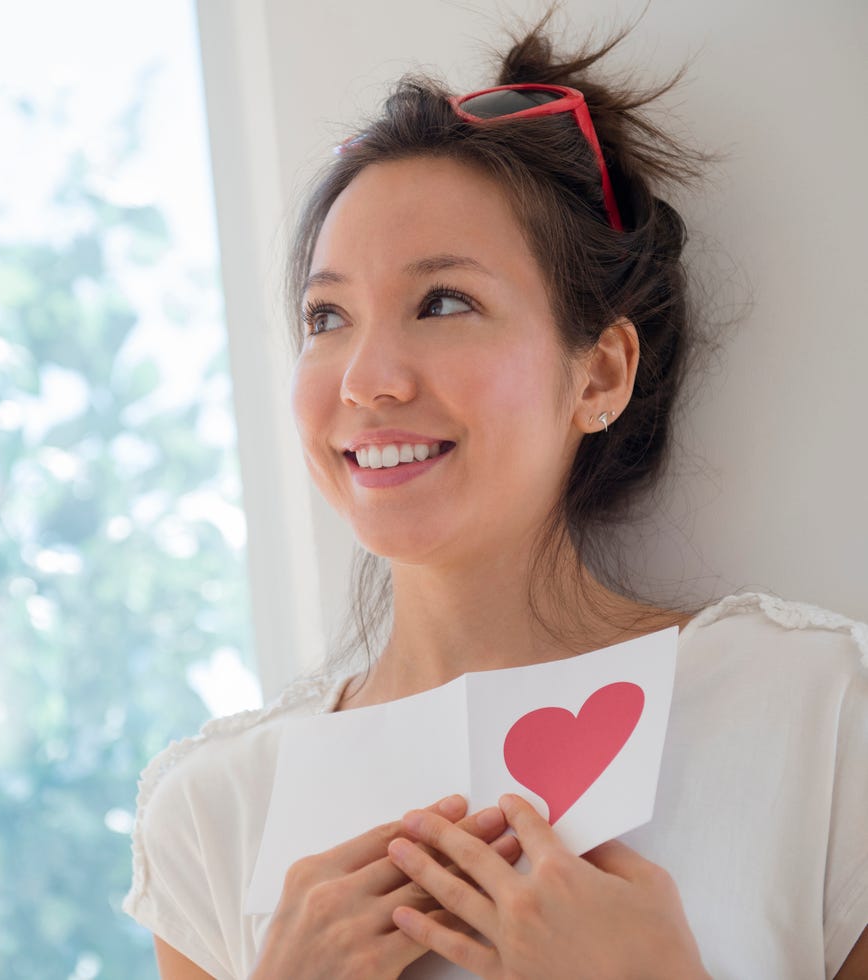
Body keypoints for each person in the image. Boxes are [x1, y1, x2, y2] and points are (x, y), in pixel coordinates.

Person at [123, 21, 868, 980]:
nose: (367, 379)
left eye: (442, 303)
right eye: (327, 316)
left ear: (600, 371)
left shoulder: (813, 709)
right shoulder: (212, 812)